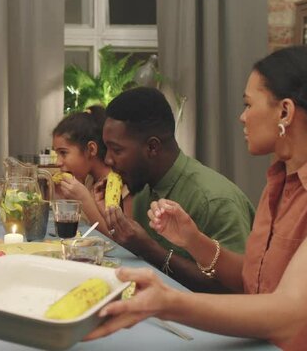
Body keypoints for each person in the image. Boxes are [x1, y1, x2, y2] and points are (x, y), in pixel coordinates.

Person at [86, 46, 307, 350]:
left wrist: (168, 302)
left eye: (248, 105)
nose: (242, 117)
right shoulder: (278, 182)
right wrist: (193, 240)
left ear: (285, 112)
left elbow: (289, 311)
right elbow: (253, 281)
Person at [96, 87, 255, 292]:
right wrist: (115, 220)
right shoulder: (145, 191)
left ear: (152, 147)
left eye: (117, 150)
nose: (108, 160)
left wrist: (150, 249)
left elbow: (238, 288)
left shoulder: (214, 200)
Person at [52, 106, 123, 237]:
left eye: (63, 153)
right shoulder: (89, 180)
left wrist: (84, 199)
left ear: (91, 149)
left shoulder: (119, 186)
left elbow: (114, 238)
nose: (58, 162)